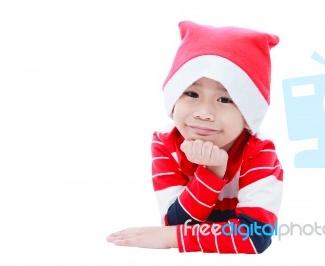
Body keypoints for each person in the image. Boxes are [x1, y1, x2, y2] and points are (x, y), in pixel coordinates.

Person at [107, 20, 283, 254]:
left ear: (249, 112)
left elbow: (255, 237)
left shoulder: (259, 151)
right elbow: (176, 223)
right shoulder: (165, 142)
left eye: (225, 99)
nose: (203, 113)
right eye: (191, 93)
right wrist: (211, 172)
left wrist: (170, 238)